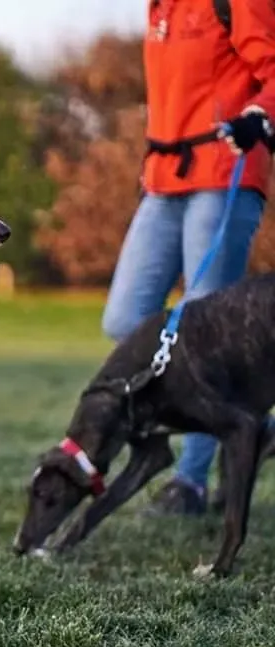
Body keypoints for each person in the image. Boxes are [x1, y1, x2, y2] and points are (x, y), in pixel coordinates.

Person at [102, 0, 275, 516]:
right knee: (124, 318)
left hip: (224, 171)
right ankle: (252, 422)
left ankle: (189, 484)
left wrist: (259, 116)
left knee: (205, 338)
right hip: (163, 180)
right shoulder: (161, 7)